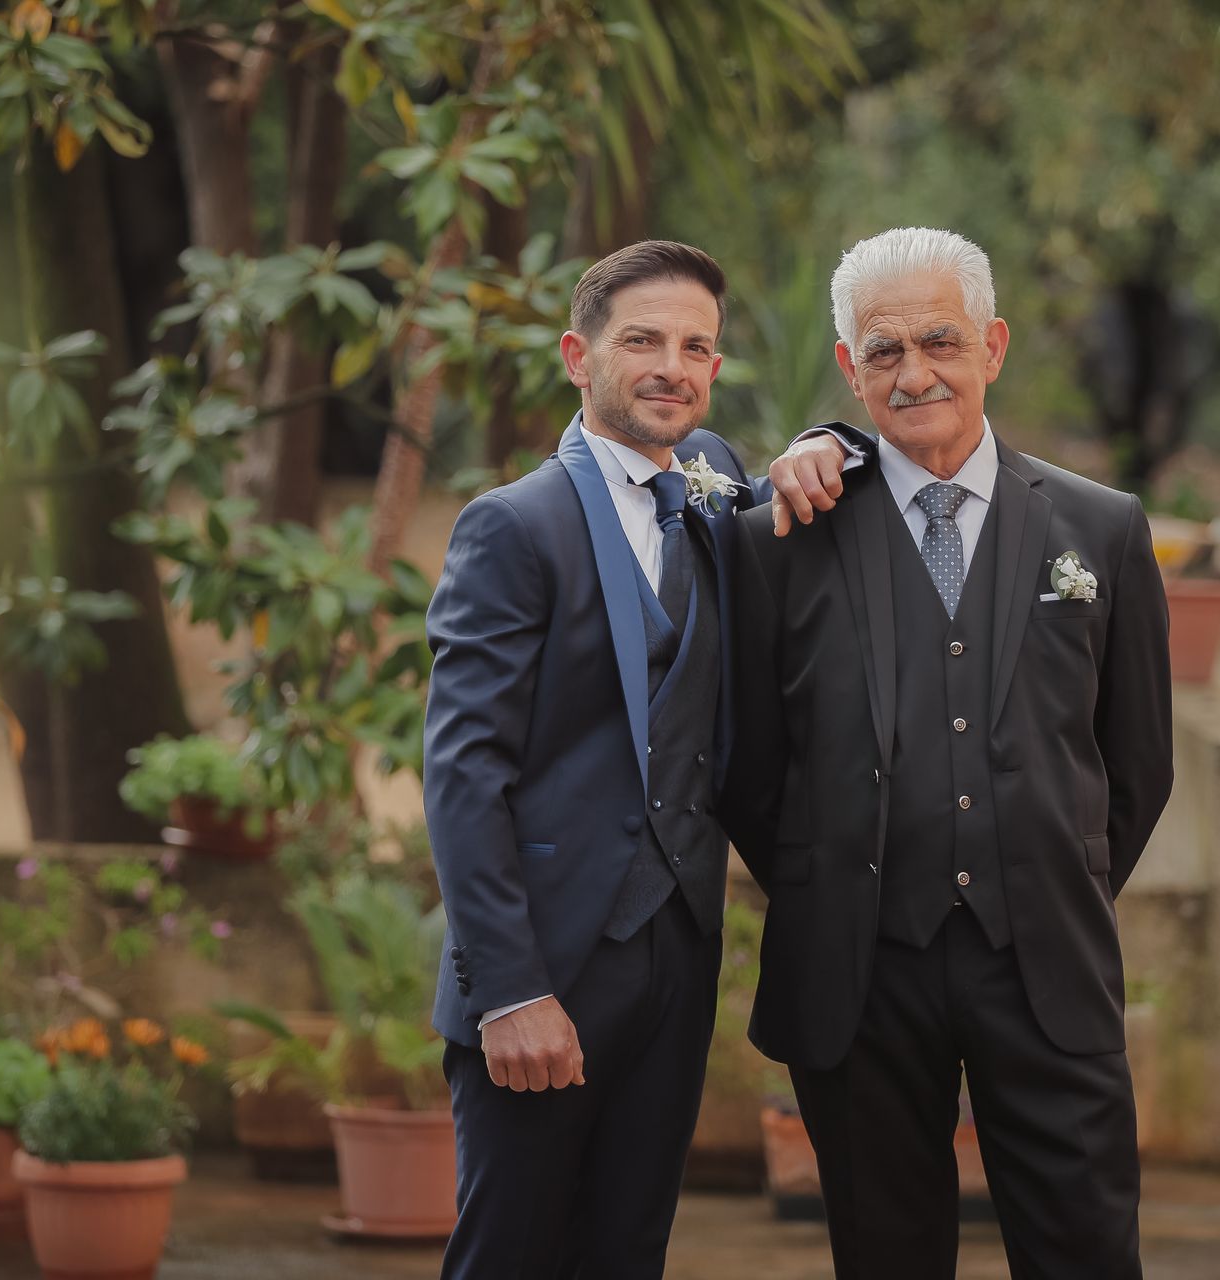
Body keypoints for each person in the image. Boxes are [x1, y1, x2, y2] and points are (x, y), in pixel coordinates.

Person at [724, 226, 1175, 1279]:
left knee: (1086, 1252)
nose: (914, 372)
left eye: (941, 341)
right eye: (884, 351)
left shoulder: (1102, 528)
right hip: (859, 975)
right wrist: (835, 879)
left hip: (1047, 963)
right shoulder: (778, 537)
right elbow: (748, 768)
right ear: (851, 368)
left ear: (993, 346)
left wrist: (1046, 876)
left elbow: (1137, 763)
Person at [423, 239, 844, 1278]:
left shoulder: (716, 484)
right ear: (580, 357)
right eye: (642, 341)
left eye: (696, 347)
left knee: (628, 1251)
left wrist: (827, 438)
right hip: (547, 966)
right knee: (510, 1255)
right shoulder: (511, 526)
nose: (672, 367)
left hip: (676, 962)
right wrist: (509, 990)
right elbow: (464, 773)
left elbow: (804, 480)